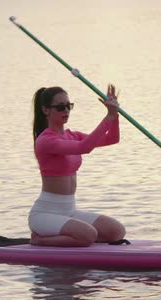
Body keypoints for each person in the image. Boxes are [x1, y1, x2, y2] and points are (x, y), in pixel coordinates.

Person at [28, 84, 126, 247]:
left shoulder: (72, 135)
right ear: (46, 110)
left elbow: (112, 139)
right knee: (88, 235)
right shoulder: (45, 141)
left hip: (69, 211)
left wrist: (114, 115)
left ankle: (74, 235)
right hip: (45, 214)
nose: (66, 110)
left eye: (68, 106)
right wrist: (108, 116)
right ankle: (40, 240)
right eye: (60, 107)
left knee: (116, 232)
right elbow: (85, 147)